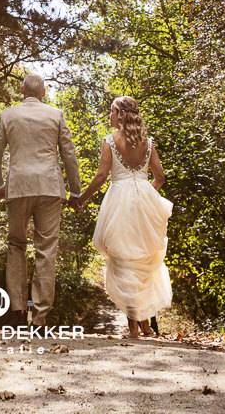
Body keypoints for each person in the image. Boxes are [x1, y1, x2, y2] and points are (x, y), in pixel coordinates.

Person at [72, 95, 172, 339]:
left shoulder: (110, 141)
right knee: (143, 262)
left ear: (121, 115)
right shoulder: (148, 143)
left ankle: (133, 329)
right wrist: (147, 196)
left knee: (124, 260)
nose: (109, 115)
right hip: (144, 202)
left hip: (119, 201)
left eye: (112, 111)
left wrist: (81, 198)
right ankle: (146, 326)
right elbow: (159, 177)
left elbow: (101, 176)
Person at [0, 72, 83, 326]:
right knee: (46, 251)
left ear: (21, 91)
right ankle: (39, 318)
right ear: (43, 93)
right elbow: (69, 155)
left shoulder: (8, 115)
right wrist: (75, 192)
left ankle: (18, 310)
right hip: (50, 188)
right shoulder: (55, 115)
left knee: (16, 245)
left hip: (18, 187)